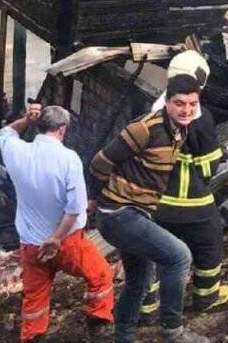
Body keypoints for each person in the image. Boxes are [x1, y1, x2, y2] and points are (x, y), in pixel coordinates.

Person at [89, 75, 211, 343]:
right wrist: (95, 198)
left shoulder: (180, 130)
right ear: (167, 102)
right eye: (179, 103)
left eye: (192, 104)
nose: (186, 110)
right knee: (179, 256)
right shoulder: (145, 128)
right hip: (119, 214)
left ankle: (124, 337)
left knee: (140, 280)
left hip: (135, 213)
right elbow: (100, 162)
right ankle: (172, 331)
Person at [0, 104, 114, 342]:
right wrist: (56, 238)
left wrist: (26, 120)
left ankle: (33, 336)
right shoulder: (68, 158)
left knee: (35, 298)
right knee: (100, 275)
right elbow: (74, 209)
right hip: (66, 242)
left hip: (30, 245)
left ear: (38, 126)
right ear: (62, 129)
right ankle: (99, 325)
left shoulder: (16, 151)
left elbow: (5, 133)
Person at [139, 52, 228, 322]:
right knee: (209, 244)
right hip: (193, 204)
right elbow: (206, 169)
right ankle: (206, 297)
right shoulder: (201, 119)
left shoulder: (153, 112)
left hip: (156, 204)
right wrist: (219, 153)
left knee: (153, 255)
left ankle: (146, 310)